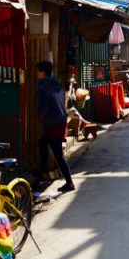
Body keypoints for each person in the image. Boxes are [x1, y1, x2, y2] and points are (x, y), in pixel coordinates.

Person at [36, 60, 75, 193]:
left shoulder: (42, 87)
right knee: (42, 143)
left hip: (52, 122)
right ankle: (44, 172)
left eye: (38, 71)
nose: (37, 74)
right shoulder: (56, 84)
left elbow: (43, 107)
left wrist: (40, 117)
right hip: (60, 120)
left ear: (42, 72)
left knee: (58, 154)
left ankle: (68, 182)